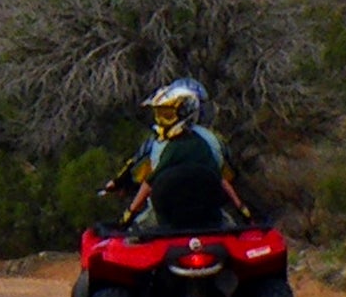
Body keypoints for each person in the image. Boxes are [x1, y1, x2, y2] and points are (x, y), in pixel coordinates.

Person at [105, 78, 251, 230]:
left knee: (134, 234)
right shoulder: (214, 140)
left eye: (166, 115)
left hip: (164, 216)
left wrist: (126, 205)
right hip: (207, 213)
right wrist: (242, 209)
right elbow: (226, 176)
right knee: (230, 226)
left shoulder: (157, 143)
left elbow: (140, 175)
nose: (161, 120)